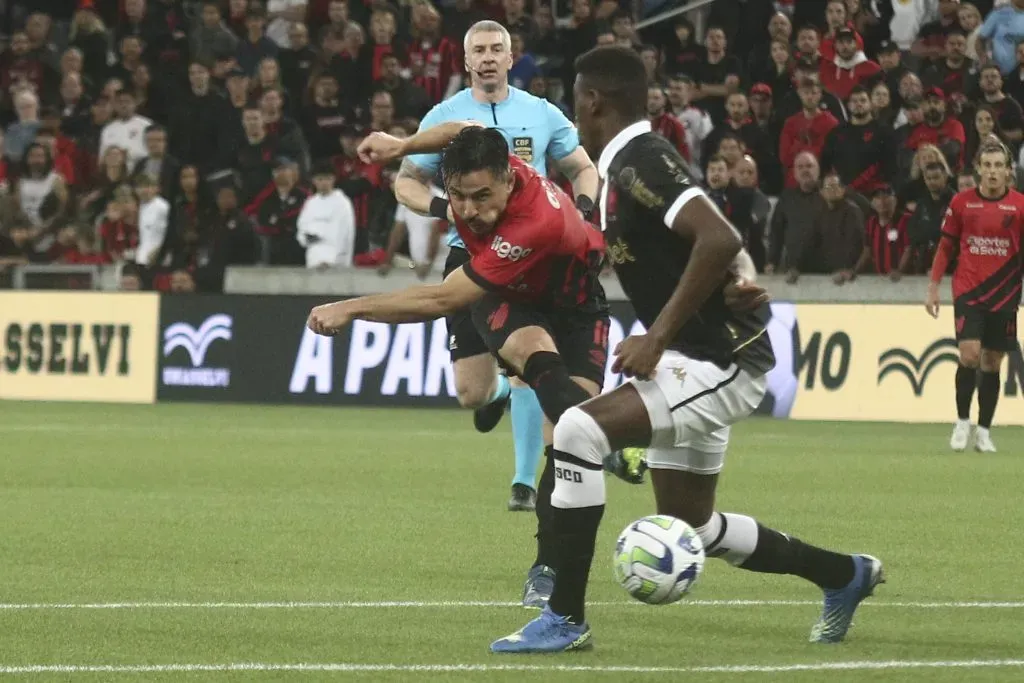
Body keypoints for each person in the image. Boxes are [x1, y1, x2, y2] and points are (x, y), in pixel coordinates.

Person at [489, 45, 883, 655]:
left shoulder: (639, 159)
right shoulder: (627, 163)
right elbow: (713, 240)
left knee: (575, 432)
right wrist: (734, 280)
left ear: (593, 99)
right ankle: (844, 575)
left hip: (718, 361)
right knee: (693, 522)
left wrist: (658, 335)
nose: (571, 103)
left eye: (575, 91)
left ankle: (564, 616)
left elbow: (717, 235)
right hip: (698, 355)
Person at [312, 121, 611, 608]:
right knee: (547, 376)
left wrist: (349, 307)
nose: (469, 212)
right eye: (458, 196)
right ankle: (547, 568)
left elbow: (438, 301)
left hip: (578, 309)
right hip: (507, 298)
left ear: (510, 180)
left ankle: (602, 446)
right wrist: (404, 146)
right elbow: (462, 129)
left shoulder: (533, 221)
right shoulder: (489, 160)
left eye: (481, 197)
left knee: (572, 445)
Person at [392, 19, 603, 524]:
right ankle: (502, 393)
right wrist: (447, 211)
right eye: (478, 51)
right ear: (466, 62)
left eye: (496, 49)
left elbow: (582, 167)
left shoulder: (541, 113)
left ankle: (524, 482)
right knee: (472, 393)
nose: (487, 58)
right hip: (469, 255)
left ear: (512, 58)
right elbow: (405, 182)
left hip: (531, 261)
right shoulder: (444, 117)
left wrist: (586, 210)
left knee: (533, 364)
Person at [926, 140, 1024, 453]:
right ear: (978, 169)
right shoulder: (961, 203)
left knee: (992, 362)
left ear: (1008, 171)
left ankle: (983, 431)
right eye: (988, 165)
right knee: (969, 355)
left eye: (999, 166)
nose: (993, 171)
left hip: (1006, 293)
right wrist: (933, 286)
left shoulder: (1020, 206)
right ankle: (962, 422)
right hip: (969, 289)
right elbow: (945, 247)